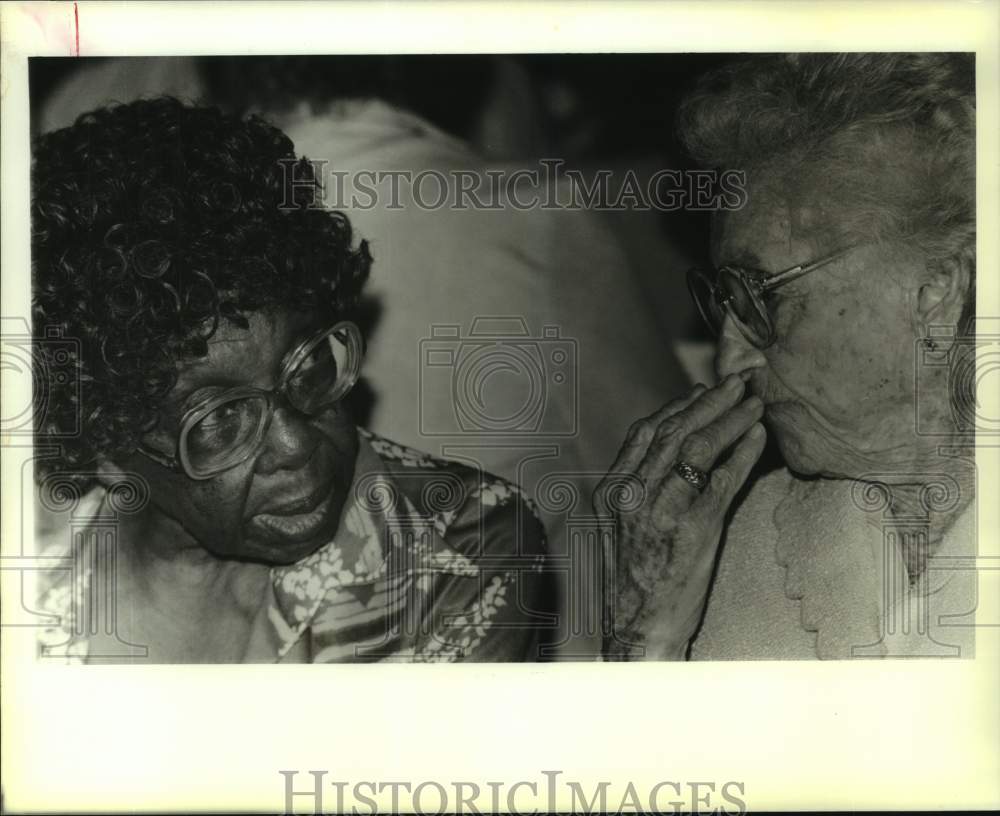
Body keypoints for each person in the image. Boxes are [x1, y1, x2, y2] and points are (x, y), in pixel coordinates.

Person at [31, 97, 553, 663]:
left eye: (307, 367)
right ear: (107, 448)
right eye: (221, 419)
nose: (297, 445)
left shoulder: (455, 550)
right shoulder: (30, 575)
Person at [599, 53, 977, 660]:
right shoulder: (711, 550)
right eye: (724, 300)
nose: (729, 360)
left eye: (762, 296)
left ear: (937, 293)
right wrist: (643, 631)